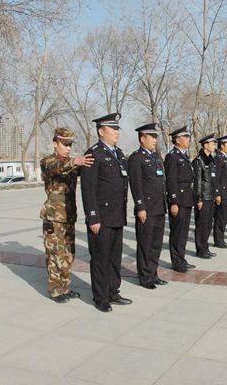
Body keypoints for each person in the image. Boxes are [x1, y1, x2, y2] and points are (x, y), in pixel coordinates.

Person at [81, 113, 132, 312]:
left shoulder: (118, 153)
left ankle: (113, 291)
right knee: (100, 258)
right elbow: (88, 188)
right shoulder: (94, 154)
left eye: (118, 128)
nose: (117, 131)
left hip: (117, 216)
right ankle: (100, 297)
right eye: (114, 128)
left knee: (114, 257)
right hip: (101, 217)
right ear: (102, 131)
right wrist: (92, 216)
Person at [40, 128, 94, 303]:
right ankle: (56, 290)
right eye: (65, 144)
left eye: (70, 145)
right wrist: (76, 162)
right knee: (55, 255)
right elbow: (58, 167)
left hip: (69, 216)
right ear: (55, 143)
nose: (68, 148)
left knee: (68, 254)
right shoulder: (48, 162)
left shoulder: (71, 164)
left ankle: (65, 286)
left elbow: (84, 171)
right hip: (54, 218)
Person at [128, 123, 168, 290]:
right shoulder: (136, 158)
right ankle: (145, 277)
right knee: (145, 243)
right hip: (147, 209)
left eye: (155, 137)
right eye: (152, 137)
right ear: (142, 138)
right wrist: (140, 207)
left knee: (156, 244)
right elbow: (136, 185)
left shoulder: (156, 157)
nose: (155, 140)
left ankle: (153, 273)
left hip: (159, 207)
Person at [164, 125, 197, 273]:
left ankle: (181, 258)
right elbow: (171, 181)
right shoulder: (172, 157)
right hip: (179, 199)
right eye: (186, 137)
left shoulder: (184, 155)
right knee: (177, 232)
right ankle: (177, 262)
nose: (188, 139)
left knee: (184, 232)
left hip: (187, 198)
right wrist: (174, 201)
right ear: (177, 140)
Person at [192, 133, 221, 259]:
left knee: (208, 223)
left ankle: (206, 247)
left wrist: (216, 194)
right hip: (203, 197)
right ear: (206, 145)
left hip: (211, 197)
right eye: (212, 143)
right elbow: (198, 181)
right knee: (201, 224)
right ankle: (200, 249)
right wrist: (198, 198)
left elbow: (214, 180)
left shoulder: (212, 160)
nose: (214, 145)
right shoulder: (199, 161)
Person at [213, 134, 227, 248]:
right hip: (222, 194)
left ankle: (221, 239)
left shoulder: (224, 158)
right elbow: (216, 178)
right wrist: (218, 194)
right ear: (222, 145)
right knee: (220, 218)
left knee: (224, 217)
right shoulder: (218, 158)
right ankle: (218, 240)